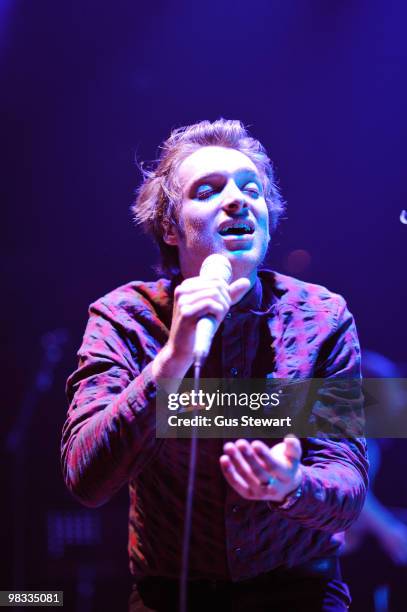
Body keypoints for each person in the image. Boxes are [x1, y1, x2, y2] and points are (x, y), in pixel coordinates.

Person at [61, 119, 368, 611]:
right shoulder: (125, 317)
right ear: (169, 225)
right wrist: (173, 358)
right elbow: (86, 478)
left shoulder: (321, 316)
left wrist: (293, 485)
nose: (237, 200)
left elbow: (348, 488)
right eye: (208, 190)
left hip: (300, 590)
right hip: (172, 595)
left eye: (252, 190)